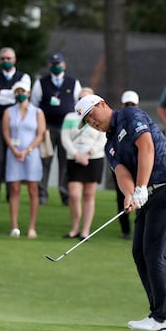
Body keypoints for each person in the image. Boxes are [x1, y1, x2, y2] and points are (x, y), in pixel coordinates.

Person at [75, 94, 166, 331]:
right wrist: (130, 195)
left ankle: (165, 318)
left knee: (154, 252)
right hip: (149, 195)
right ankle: (158, 312)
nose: (92, 123)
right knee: (139, 252)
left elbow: (146, 147)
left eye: (91, 115)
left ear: (102, 104)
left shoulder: (130, 115)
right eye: (87, 121)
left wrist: (140, 188)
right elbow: (121, 173)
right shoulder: (109, 144)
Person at [30, 52, 81, 206]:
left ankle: (65, 195)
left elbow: (77, 104)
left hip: (67, 129)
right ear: (49, 66)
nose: (56, 66)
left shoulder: (73, 83)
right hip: (47, 128)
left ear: (63, 65)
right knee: (44, 161)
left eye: (58, 63)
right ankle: (41, 195)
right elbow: (34, 105)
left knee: (65, 162)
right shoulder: (41, 83)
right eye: (53, 64)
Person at [60, 87, 106, 240]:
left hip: (93, 158)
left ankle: (85, 230)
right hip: (74, 157)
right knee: (74, 195)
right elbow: (65, 138)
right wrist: (76, 154)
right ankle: (75, 228)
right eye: (80, 97)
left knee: (88, 194)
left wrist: (88, 153)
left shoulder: (97, 117)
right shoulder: (70, 117)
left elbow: (102, 138)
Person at [3, 81, 46, 239]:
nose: (20, 94)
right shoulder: (9, 111)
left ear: (28, 93)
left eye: (22, 91)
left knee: (33, 189)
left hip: (31, 153)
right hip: (14, 152)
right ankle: (14, 226)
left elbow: (40, 134)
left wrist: (27, 150)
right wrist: (15, 150)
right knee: (14, 189)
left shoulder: (37, 112)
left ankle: (32, 227)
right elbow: (6, 133)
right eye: (17, 91)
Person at [0, 47, 32, 203]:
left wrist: (2, 94)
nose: (5, 61)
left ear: (14, 60)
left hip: (17, 121)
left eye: (8, 58)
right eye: (3, 59)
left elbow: (20, 97)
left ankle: (11, 193)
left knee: (12, 157)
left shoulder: (24, 77)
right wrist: (11, 94)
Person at [113, 90, 140, 239]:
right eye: (127, 104)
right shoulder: (117, 122)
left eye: (132, 104)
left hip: (138, 165)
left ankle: (139, 228)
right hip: (121, 164)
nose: (129, 107)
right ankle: (125, 230)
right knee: (122, 197)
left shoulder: (141, 121)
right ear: (122, 105)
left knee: (141, 197)